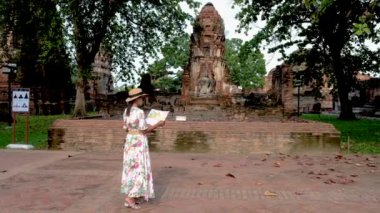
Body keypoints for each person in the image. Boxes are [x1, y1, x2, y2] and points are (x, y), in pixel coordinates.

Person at [121, 88, 165, 209]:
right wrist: (158, 124)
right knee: (139, 168)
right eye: (142, 98)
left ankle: (132, 196)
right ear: (137, 99)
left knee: (131, 168)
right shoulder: (139, 112)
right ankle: (130, 198)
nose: (143, 100)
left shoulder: (126, 111)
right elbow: (144, 130)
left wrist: (140, 131)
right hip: (138, 142)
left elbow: (125, 128)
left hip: (130, 140)